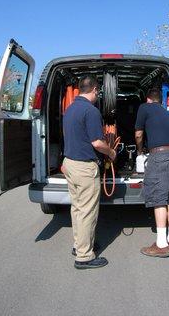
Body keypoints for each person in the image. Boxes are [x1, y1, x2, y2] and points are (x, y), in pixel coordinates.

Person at [62, 75, 116, 269]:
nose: (98, 94)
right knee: (87, 211)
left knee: (77, 208)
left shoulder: (70, 109)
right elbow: (97, 142)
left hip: (69, 164)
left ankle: (80, 245)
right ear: (94, 90)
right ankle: (84, 257)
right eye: (98, 91)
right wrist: (111, 152)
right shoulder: (90, 111)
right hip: (84, 167)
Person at [135, 87, 169, 257]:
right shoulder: (166, 113)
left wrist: (140, 150)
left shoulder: (144, 108)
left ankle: (161, 244)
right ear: (159, 100)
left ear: (148, 99)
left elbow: (139, 134)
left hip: (160, 156)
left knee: (159, 198)